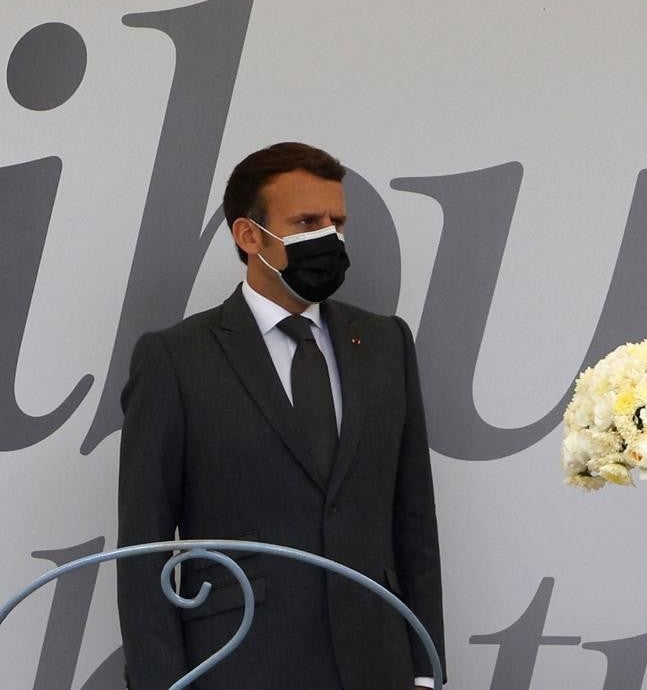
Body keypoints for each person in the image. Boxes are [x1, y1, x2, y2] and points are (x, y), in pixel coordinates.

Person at [117, 142, 445, 689]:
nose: (330, 238)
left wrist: (424, 667)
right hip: (238, 662)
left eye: (337, 222)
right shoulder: (176, 358)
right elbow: (143, 543)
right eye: (307, 221)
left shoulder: (386, 343)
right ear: (250, 236)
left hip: (376, 661)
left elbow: (414, 517)